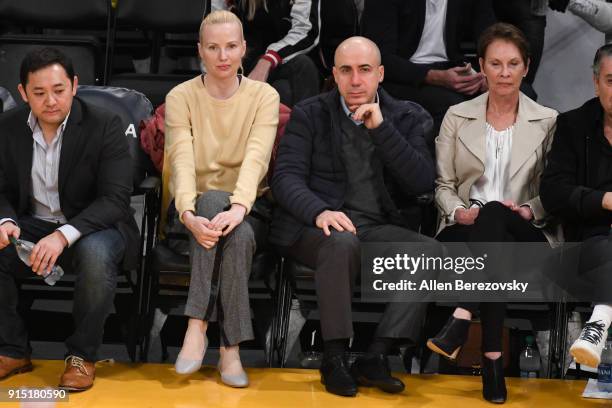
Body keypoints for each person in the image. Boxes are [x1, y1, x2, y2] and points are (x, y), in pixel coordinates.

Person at [270, 36, 438, 397]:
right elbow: (284, 179)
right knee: (341, 242)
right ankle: (334, 357)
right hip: (314, 230)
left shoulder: (406, 116)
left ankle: (376, 356)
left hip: (376, 230)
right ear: (334, 74)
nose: (355, 80)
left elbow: (423, 182)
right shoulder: (311, 112)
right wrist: (319, 211)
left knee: (431, 252)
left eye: (364, 70)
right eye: (346, 70)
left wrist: (382, 130)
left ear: (380, 74)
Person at [427, 23, 559, 403]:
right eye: (496, 64)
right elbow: (443, 186)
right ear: (481, 66)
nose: (504, 73)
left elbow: (552, 192)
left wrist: (529, 209)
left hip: (525, 231)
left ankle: (462, 318)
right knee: (489, 226)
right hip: (466, 228)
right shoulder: (456, 115)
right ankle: (492, 362)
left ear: (526, 67)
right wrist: (458, 211)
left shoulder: (547, 120)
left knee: (498, 218)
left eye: (512, 64)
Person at [0, 47, 138, 391]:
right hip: (33, 223)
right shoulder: (7, 127)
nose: (50, 101)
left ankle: (81, 355)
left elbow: (115, 199)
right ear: (22, 93)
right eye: (39, 92)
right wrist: (4, 220)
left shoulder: (105, 124)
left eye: (59, 90)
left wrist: (64, 235)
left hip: (95, 225)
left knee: (95, 255)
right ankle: (12, 348)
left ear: (75, 86)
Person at [164, 10, 279, 388]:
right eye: (213, 48)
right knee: (217, 208)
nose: (223, 56)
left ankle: (196, 324)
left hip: (250, 207)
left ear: (245, 48)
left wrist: (239, 207)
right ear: (200, 50)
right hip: (194, 208)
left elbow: (257, 157)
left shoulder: (264, 95)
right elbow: (180, 159)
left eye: (231, 46)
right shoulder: (180, 96)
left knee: (236, 224)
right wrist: (186, 212)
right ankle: (230, 350)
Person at [540, 43, 612, 368]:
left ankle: (599, 320)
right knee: (603, 244)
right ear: (596, 82)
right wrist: (603, 201)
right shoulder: (573, 126)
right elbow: (553, 192)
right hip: (581, 252)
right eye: (611, 80)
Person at [362, 0, 496, 143]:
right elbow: (380, 58)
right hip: (402, 76)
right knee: (454, 106)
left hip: (451, 66)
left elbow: (491, 37)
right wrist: (434, 77)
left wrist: (489, 75)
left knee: (508, 93)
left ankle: (495, 163)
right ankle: (438, 163)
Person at [206, 0, 321, 107]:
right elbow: (212, 35)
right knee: (283, 91)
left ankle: (303, 127)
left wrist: (268, 60)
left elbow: (306, 31)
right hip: (244, 62)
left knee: (303, 66)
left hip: (288, 57)